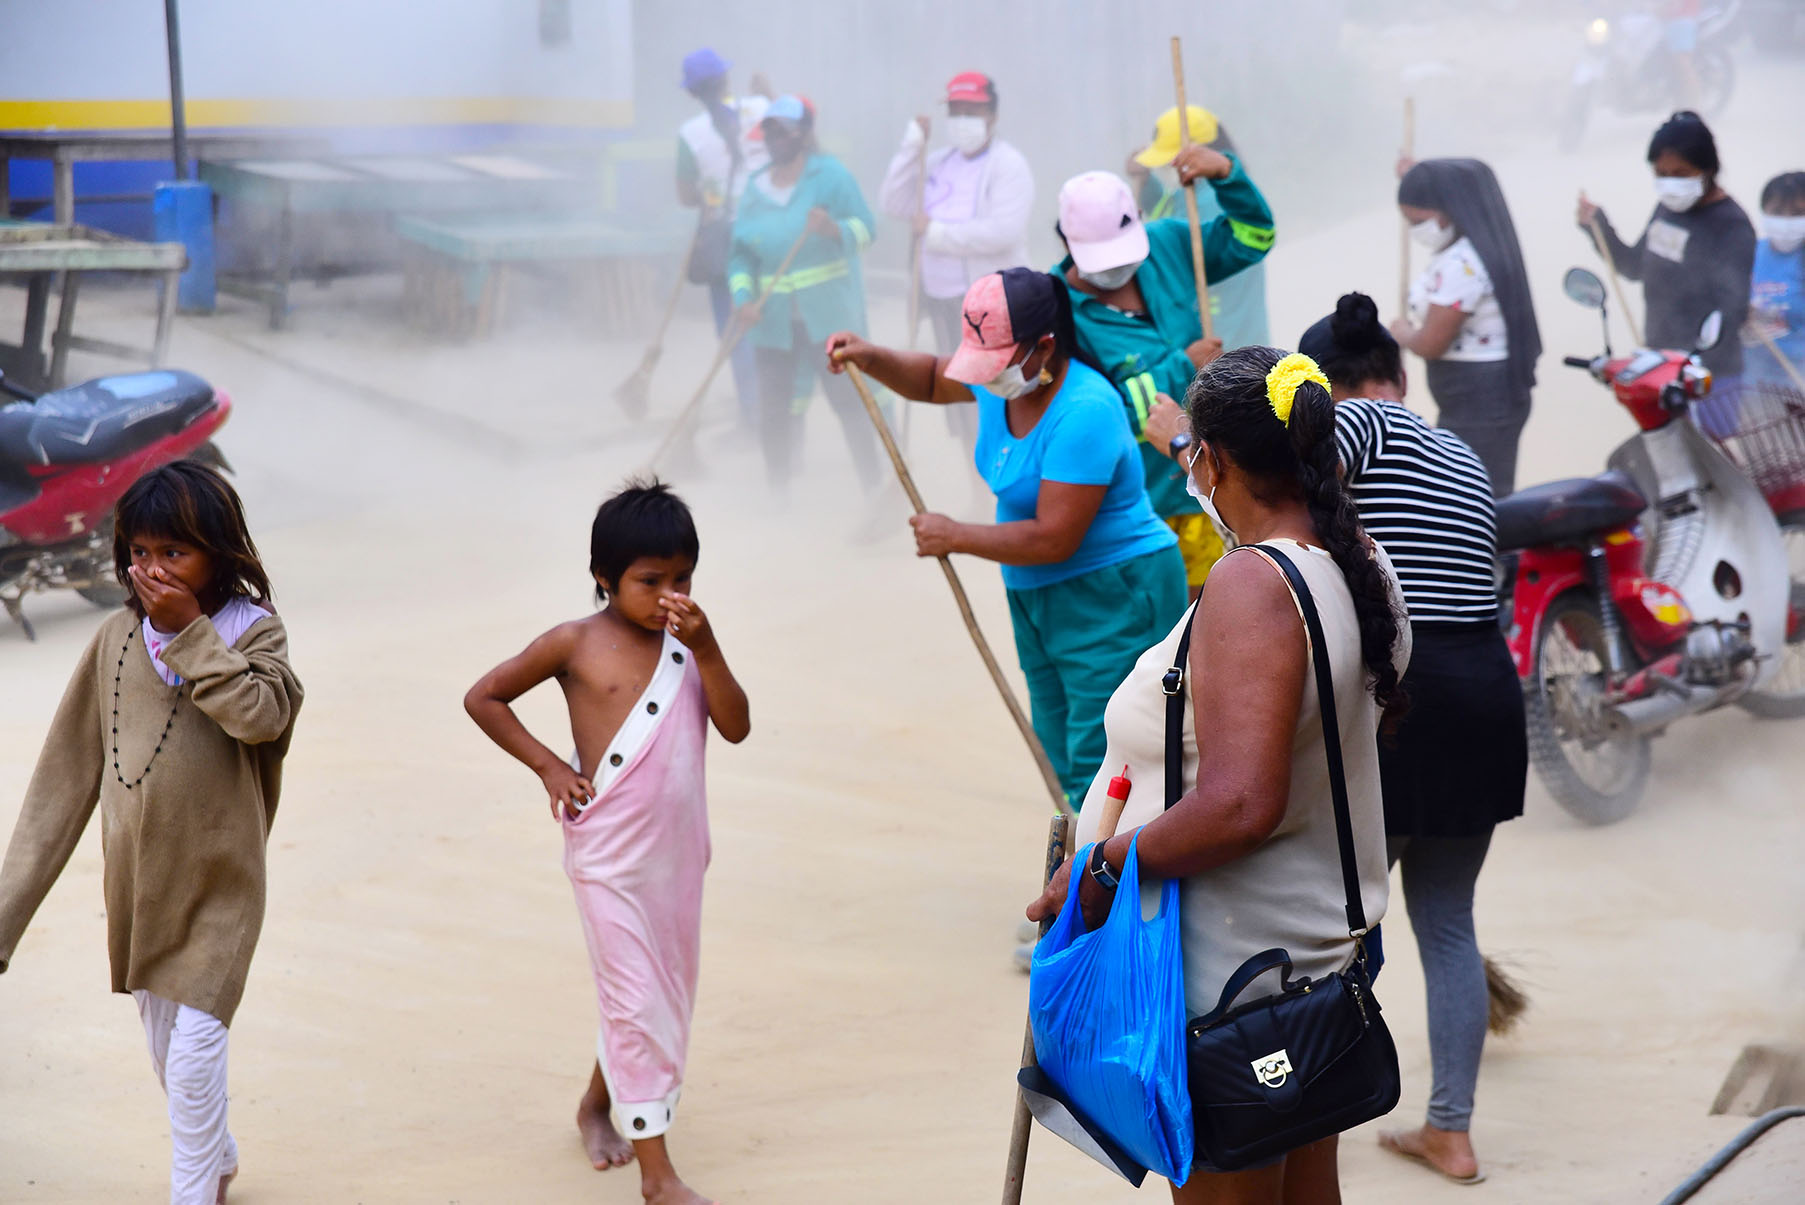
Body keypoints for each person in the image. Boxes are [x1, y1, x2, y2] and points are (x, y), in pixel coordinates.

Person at [1026, 345, 1409, 1202]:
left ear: (1216, 459)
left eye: (1192, 451)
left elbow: (1240, 802)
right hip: (1309, 961)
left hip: (1234, 979)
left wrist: (1099, 866)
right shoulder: (1356, 561)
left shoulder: (1253, 580)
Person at [0, 462, 303, 1205]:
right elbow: (61, 784)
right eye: (140, 553)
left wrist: (190, 636)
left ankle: (194, 1191)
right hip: (139, 886)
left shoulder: (254, 633)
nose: (152, 570)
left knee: (198, 1051)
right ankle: (220, 1152)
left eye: (175, 553)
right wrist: (5, 915)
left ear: (219, 554)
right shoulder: (113, 639)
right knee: (170, 1052)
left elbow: (264, 715)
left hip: (223, 886)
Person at [464, 479, 749, 1205]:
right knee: (632, 996)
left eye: (681, 578)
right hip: (608, 857)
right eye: (649, 581)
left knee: (658, 991)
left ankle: (596, 1103)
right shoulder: (574, 642)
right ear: (603, 578)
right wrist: (551, 765)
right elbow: (484, 696)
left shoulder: (688, 647)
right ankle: (658, 1176)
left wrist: (709, 645)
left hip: (680, 853)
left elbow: (736, 723)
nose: (668, 595)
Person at [1302, 292, 1526, 1186]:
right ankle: (1450, 1130)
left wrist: (1181, 440)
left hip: (1404, 695)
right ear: (1402, 373)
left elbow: (1282, 480)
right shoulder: (1460, 451)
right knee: (1445, 919)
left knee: (1342, 923)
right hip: (1484, 689)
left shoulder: (1356, 425)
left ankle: (1316, 1107)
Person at [823, 267, 1188, 812]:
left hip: (1114, 592)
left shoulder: (1084, 409)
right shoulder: (1003, 378)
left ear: (1044, 347)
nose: (983, 376)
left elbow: (1053, 538)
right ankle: (1080, 867)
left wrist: (955, 535)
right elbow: (927, 378)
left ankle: (1108, 882)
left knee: (1109, 751)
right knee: (1058, 743)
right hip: (1037, 596)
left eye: (994, 362)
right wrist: (872, 356)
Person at [1055, 162, 1274, 594]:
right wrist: (1183, 365)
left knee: (1224, 614)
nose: (1119, 269)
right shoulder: (1056, 308)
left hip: (1212, 483)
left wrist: (1227, 174)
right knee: (1164, 638)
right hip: (1139, 508)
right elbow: (1092, 413)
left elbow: (1254, 237)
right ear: (1067, 242)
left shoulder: (1169, 242)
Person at [728, 94, 885, 501]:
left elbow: (868, 228)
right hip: (772, 322)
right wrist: (744, 298)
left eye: (784, 130)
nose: (776, 137)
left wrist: (834, 229)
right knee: (774, 410)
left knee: (848, 402)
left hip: (827, 318)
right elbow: (740, 254)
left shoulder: (830, 177)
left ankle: (874, 487)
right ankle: (778, 493)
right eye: (770, 130)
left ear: (804, 134)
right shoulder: (755, 187)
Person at [1391, 158, 1542, 497]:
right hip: (1473, 402)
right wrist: (1413, 178)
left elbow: (1431, 344)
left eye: (1419, 220)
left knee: (1479, 499)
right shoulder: (1463, 248)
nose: (1414, 229)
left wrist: (1403, 333)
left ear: (1450, 210)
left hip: (1482, 403)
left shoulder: (1464, 265)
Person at [1577, 111, 1755, 382]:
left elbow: (1732, 309)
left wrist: (1692, 365)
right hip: (1657, 360)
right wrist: (1597, 227)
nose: (1671, 182)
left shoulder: (1731, 225)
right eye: (1661, 173)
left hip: (1706, 375)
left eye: (1681, 173)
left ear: (1708, 170)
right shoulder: (1668, 208)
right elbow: (1634, 267)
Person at [878, 71, 1034, 358]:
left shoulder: (1008, 165)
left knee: (995, 384)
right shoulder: (937, 162)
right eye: (956, 112)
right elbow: (893, 202)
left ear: (992, 115)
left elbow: (1003, 231)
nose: (963, 120)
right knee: (954, 383)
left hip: (992, 303)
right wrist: (911, 148)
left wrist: (935, 233)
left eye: (972, 111)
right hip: (941, 301)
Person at [1124, 105, 1272, 352]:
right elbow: (1168, 211)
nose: (1167, 169)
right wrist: (1147, 182)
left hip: (1229, 337)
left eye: (1170, 161)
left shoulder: (1211, 201)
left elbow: (1176, 242)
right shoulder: (1192, 193)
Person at [675, 47, 771, 427]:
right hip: (769, 230)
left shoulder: (690, 134)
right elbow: (798, 138)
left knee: (735, 332)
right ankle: (779, 418)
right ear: (727, 81)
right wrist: (769, 91)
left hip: (724, 239)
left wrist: (710, 195)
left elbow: (684, 196)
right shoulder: (761, 108)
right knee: (772, 325)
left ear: (692, 93)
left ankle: (753, 418)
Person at [1746, 171, 1805, 390]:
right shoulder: (1750, 253)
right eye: (1778, 212)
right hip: (1755, 382)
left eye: (1798, 213)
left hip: (1798, 379)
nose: (1787, 222)